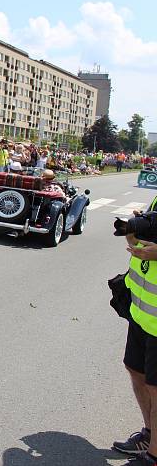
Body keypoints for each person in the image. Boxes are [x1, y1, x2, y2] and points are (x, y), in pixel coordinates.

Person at [114, 198, 157, 465]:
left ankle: (153, 457)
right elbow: (136, 245)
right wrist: (132, 231)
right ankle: (150, 434)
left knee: (156, 387)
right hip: (143, 315)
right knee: (136, 370)